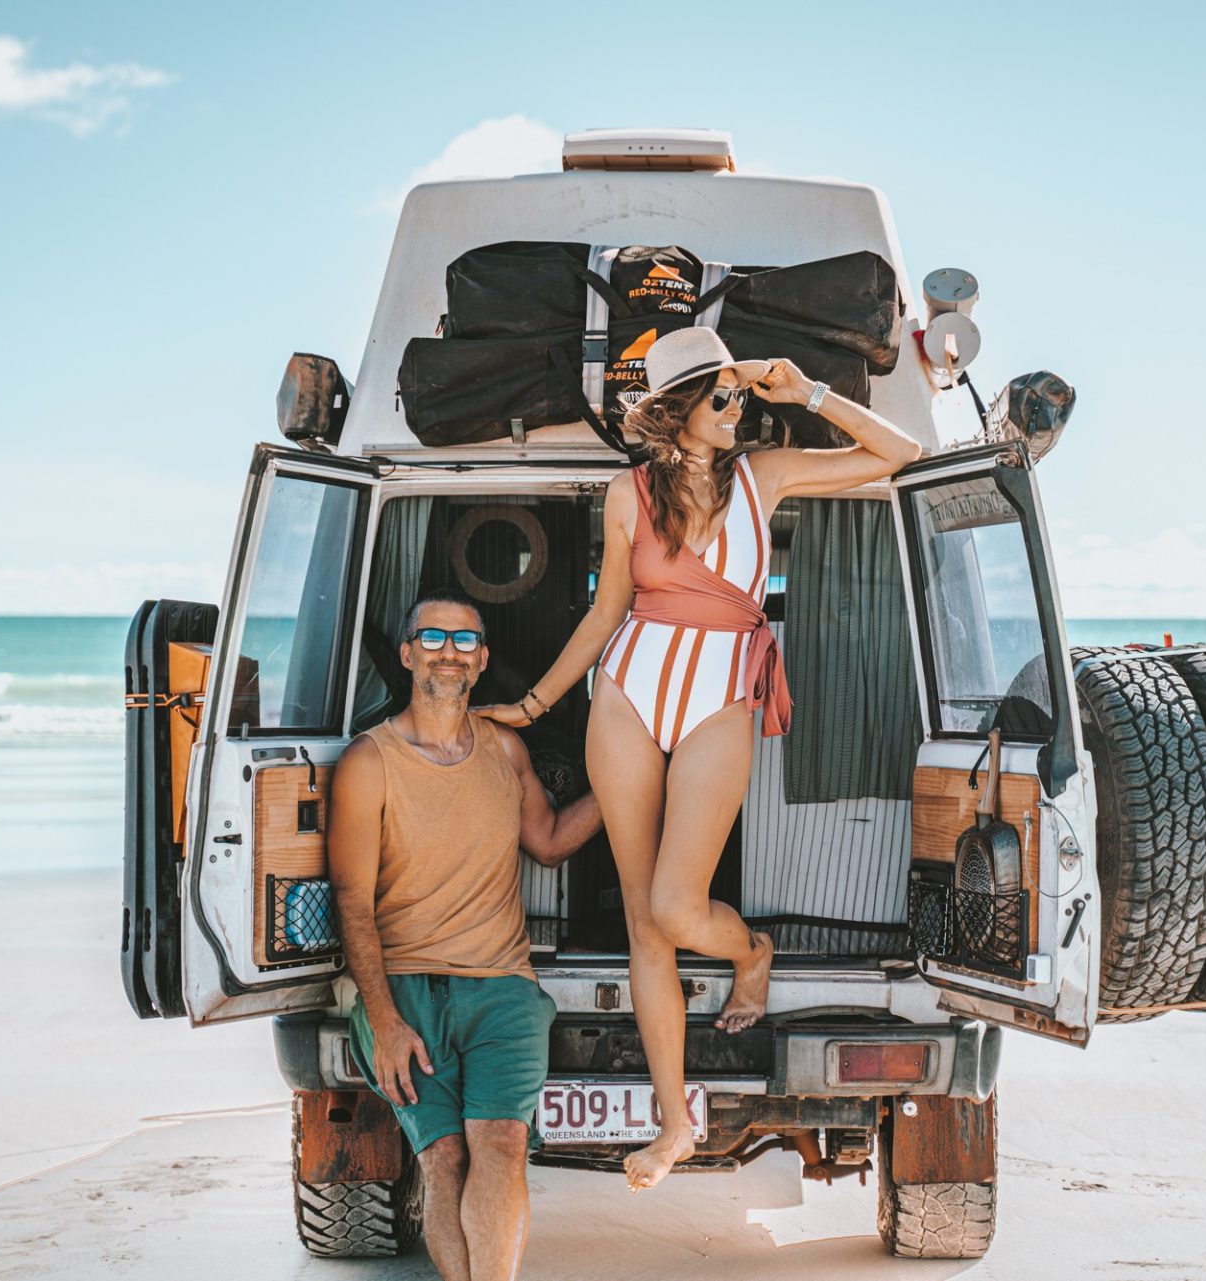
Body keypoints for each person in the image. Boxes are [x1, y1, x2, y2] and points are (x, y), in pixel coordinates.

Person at [478, 328, 923, 1190]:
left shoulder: (769, 474)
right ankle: (672, 1123)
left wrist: (804, 392)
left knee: (680, 908)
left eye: (736, 393)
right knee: (646, 922)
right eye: (720, 395)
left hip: (722, 697)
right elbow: (606, 612)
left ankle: (749, 953)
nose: (737, 407)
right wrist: (533, 706)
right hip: (627, 695)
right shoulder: (627, 493)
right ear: (677, 411)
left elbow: (904, 453)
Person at [329, 592, 602, 1281]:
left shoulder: (506, 750)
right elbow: (353, 902)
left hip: (503, 987)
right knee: (443, 1159)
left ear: (481, 662)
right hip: (407, 993)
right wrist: (383, 1020)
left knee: (505, 1143)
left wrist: (632, 782)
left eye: (464, 640)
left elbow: (547, 841)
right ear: (406, 652)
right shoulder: (370, 761)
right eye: (432, 636)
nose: (448, 650)